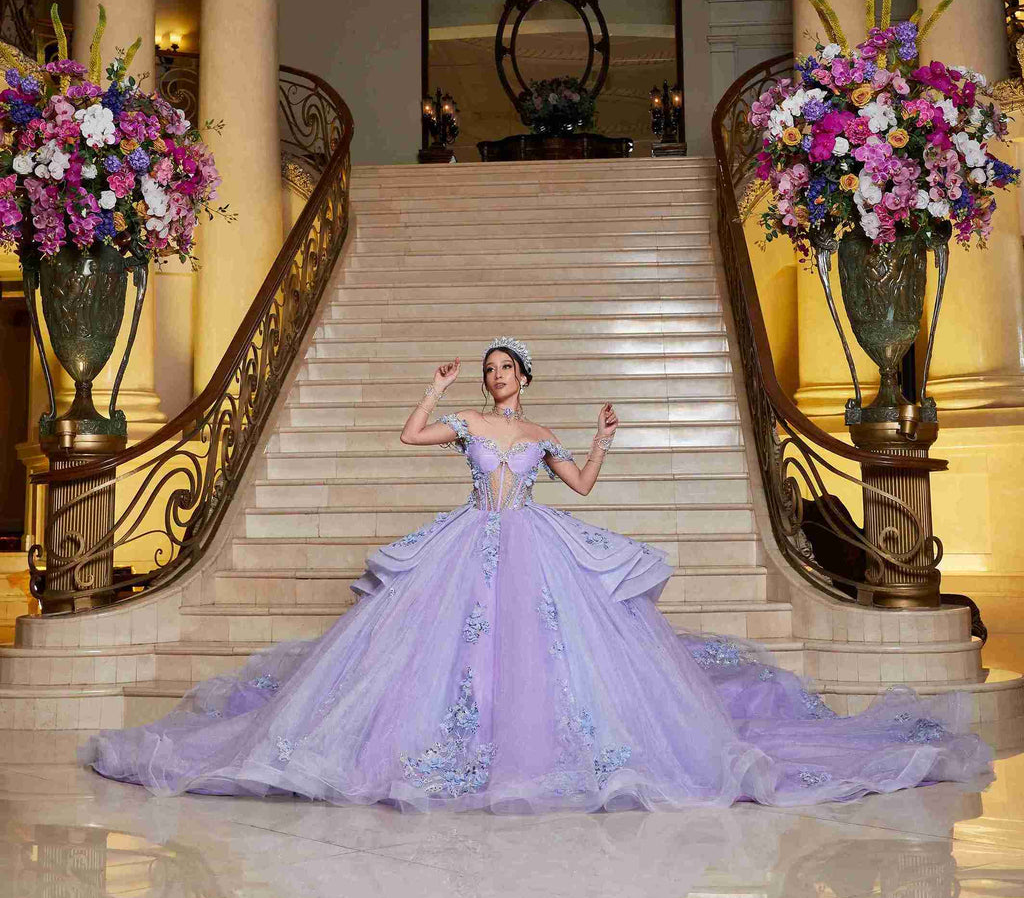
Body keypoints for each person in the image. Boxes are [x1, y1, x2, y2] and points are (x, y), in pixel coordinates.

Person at [83, 338, 993, 809]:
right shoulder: (472, 428)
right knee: (437, 656)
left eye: (503, 368)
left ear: (524, 377)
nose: (497, 377)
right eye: (488, 370)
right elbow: (407, 439)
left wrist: (598, 440)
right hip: (470, 544)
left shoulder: (542, 432)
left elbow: (584, 486)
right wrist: (437, 391)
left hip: (539, 544)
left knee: (552, 658)